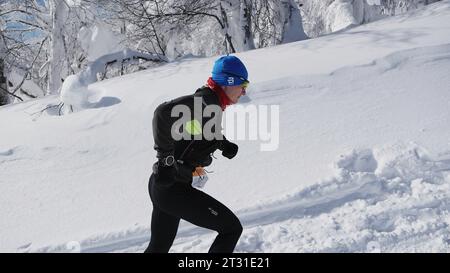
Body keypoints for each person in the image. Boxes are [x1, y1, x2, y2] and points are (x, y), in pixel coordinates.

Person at [145, 55, 249, 253]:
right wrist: (166, 161)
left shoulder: (213, 104)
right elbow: (162, 114)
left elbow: (197, 129)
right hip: (172, 187)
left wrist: (223, 143)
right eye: (242, 84)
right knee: (231, 229)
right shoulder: (206, 104)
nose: (244, 91)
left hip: (164, 185)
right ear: (229, 82)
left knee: (158, 247)